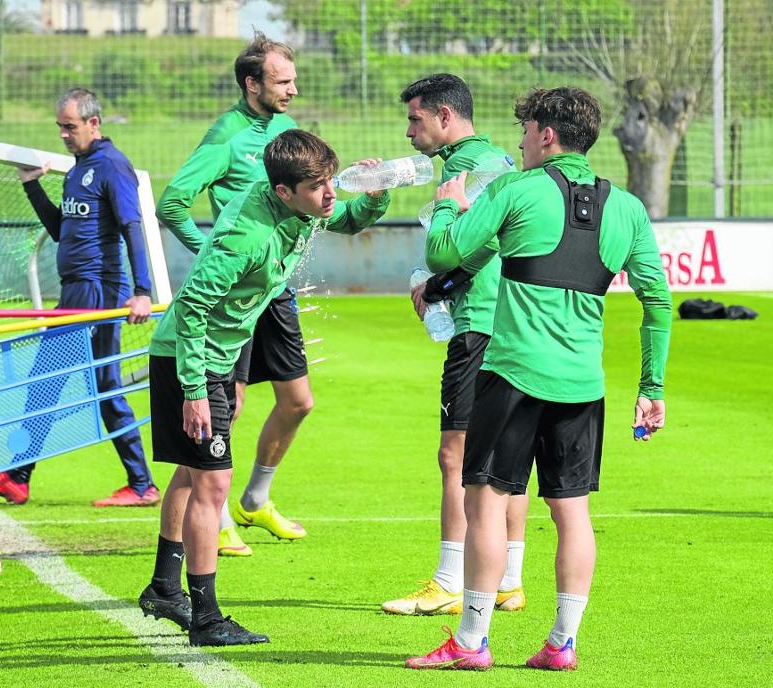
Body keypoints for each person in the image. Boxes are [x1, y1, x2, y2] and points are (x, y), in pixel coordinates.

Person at [405, 86, 671, 671]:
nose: (520, 141)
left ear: (547, 134)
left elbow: (445, 252)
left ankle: (471, 643)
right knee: (571, 510)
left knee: (487, 501)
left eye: (525, 130)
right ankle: (561, 643)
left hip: (514, 376)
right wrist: (651, 387)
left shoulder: (513, 188)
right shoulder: (626, 207)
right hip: (583, 385)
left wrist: (449, 201)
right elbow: (659, 303)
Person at [139, 129, 388, 646]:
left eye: (329, 182)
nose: (329, 195)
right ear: (283, 192)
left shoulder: (300, 204)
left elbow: (345, 219)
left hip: (218, 359)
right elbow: (191, 309)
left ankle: (165, 587)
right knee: (213, 484)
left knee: (193, 472)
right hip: (191, 360)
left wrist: (376, 195)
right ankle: (206, 619)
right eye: (318, 186)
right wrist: (193, 390)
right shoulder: (244, 238)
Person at [0, 88, 159, 507]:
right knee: (95, 385)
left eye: (70, 127)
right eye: (60, 128)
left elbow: (133, 227)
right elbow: (60, 230)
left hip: (99, 290)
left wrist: (142, 291)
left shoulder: (111, 166)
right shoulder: (77, 170)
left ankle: (22, 477)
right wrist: (32, 187)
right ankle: (137, 483)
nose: (64, 135)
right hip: (77, 290)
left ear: (93, 123)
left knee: (56, 379)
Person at [155, 31, 307, 557]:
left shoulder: (286, 130)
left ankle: (255, 499)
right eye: (282, 81)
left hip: (275, 289)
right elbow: (172, 203)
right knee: (228, 406)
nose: (292, 89)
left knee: (299, 401)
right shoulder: (225, 135)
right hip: (233, 294)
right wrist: (212, 255)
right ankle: (212, 513)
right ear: (251, 83)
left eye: (292, 79)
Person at [384, 73, 529, 616]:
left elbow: (479, 241)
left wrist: (440, 284)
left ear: (445, 116)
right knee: (505, 458)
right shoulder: (492, 161)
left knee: (455, 455)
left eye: (415, 119)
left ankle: (449, 579)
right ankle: (509, 580)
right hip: (509, 322)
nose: (408, 132)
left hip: (479, 323)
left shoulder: (473, 167)